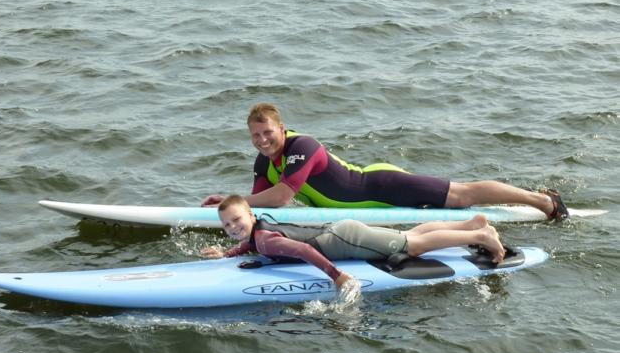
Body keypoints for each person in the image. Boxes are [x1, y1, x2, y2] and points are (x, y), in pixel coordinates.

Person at [201, 103, 569, 221]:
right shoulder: (262, 163)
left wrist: (232, 201)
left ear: (280, 129)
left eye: (268, 133)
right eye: (255, 136)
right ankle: (536, 198)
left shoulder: (303, 146)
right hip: (358, 199)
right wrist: (237, 217)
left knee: (463, 195)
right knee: (460, 197)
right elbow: (260, 207)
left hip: (380, 187)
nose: (262, 141)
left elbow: (280, 198)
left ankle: (543, 201)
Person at [201, 195, 509, 290]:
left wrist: (338, 277)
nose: (233, 227)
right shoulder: (259, 234)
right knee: (411, 236)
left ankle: (479, 236)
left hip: (347, 241)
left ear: (250, 214)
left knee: (411, 245)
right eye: (227, 225)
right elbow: (250, 243)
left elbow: (305, 251)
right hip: (341, 233)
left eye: (237, 220)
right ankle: (471, 224)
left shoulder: (266, 241)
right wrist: (227, 252)